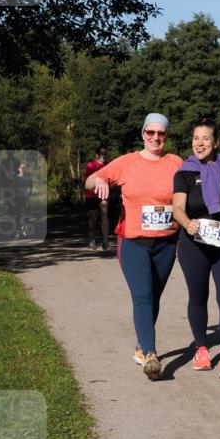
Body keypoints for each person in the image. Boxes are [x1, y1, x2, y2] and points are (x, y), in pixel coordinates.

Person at [85, 113, 182, 380]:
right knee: (143, 296)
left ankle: (141, 347)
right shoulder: (128, 162)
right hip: (133, 241)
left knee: (155, 296)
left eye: (160, 133)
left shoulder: (176, 163)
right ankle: (151, 354)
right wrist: (101, 181)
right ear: (143, 135)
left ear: (166, 136)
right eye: (150, 133)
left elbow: (191, 189)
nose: (155, 138)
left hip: (167, 241)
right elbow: (89, 181)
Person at [173, 117, 220, 381]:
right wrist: (188, 224)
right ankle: (201, 349)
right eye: (196, 138)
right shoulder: (185, 172)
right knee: (198, 296)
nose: (199, 143)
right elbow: (178, 208)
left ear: (216, 142)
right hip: (194, 243)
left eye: (205, 138)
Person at [84, 145, 110, 252]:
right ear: (97, 155)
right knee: (94, 218)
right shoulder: (91, 165)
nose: (103, 156)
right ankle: (92, 238)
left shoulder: (109, 165)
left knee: (104, 213)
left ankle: (105, 242)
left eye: (105, 154)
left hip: (103, 195)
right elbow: (85, 180)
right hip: (91, 195)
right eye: (101, 154)